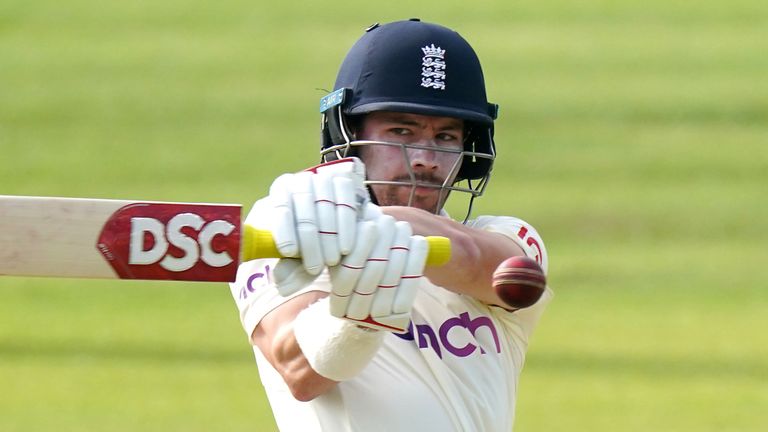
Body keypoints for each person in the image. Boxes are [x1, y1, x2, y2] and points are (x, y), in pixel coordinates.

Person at [230, 19, 552, 432]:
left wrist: (374, 229)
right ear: (347, 133)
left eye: (447, 137)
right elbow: (299, 371)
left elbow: (481, 262)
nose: (425, 158)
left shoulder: (508, 237)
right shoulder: (290, 223)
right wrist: (358, 320)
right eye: (401, 131)